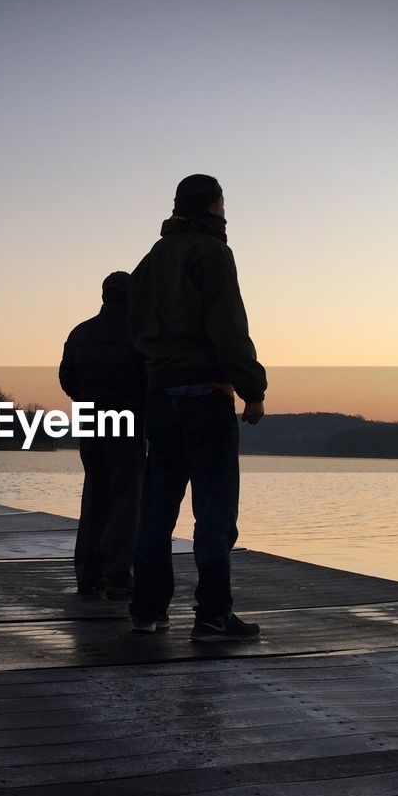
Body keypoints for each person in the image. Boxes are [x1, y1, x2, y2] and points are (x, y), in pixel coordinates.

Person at [128, 174, 267, 641]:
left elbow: (135, 327)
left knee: (156, 513)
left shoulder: (150, 259)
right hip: (206, 395)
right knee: (213, 513)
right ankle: (212, 617)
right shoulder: (213, 253)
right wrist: (253, 388)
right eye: (223, 205)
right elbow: (227, 326)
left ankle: (146, 612)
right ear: (212, 207)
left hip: (159, 396)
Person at [59, 271, 146, 599]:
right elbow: (148, 378)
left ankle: (87, 573)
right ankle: (118, 574)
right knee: (126, 499)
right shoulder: (139, 333)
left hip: (91, 425)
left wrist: (84, 399)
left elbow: (66, 376)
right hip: (127, 424)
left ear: (104, 295)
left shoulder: (80, 333)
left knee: (94, 494)